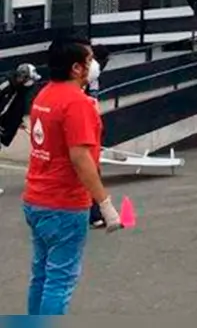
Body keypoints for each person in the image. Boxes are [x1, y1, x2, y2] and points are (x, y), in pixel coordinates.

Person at [22, 37, 123, 315]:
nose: (94, 67)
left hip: (36, 199)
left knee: (41, 275)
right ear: (77, 68)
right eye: (90, 61)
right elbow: (81, 158)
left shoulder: (44, 95)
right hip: (63, 204)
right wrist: (104, 204)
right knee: (59, 280)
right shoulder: (77, 103)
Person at [0, 63, 42, 197]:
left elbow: (13, 108)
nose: (32, 83)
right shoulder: (5, 84)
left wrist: (16, 121)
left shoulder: (20, 90)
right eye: (30, 79)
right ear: (23, 77)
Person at [86, 45, 110, 228]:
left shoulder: (93, 77)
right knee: (90, 171)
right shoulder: (90, 75)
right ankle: (96, 214)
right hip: (86, 131)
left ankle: (95, 212)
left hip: (92, 127)